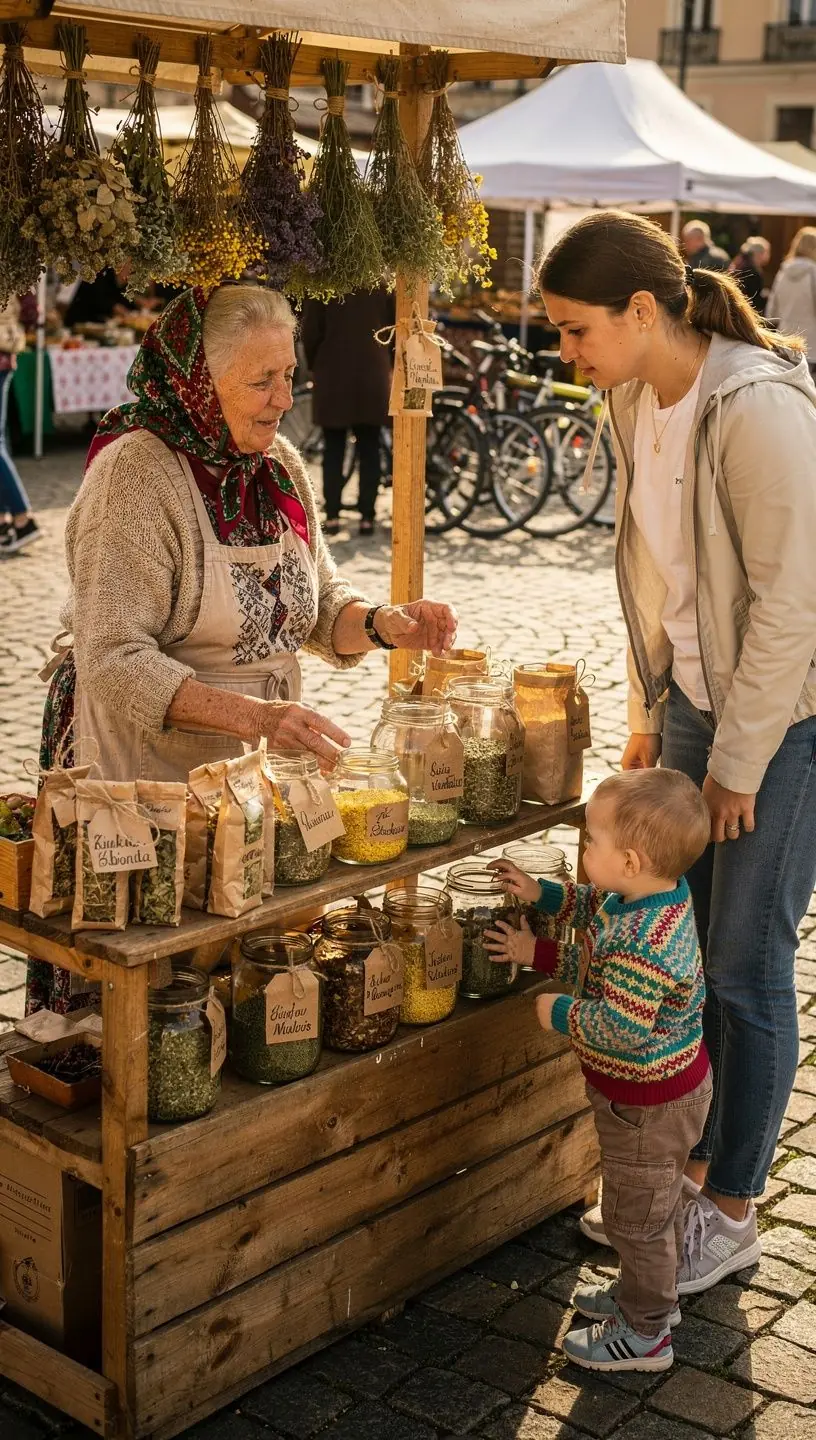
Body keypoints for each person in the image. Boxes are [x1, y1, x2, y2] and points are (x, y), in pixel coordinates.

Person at [28, 283, 456, 1015]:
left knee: (248, 979)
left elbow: (316, 606)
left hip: (251, 784)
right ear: (198, 380)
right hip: (146, 777)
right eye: (260, 381)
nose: (283, 397)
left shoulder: (278, 466)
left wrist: (385, 623)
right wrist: (257, 720)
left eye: (289, 374)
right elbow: (112, 658)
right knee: (156, 1001)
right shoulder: (136, 475)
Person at [537, 209, 816, 1295]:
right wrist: (654, 705)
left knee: (745, 964)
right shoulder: (627, 397)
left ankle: (733, 1206)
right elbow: (656, 569)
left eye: (573, 330)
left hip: (787, 714)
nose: (565, 353)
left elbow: (794, 603)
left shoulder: (756, 410)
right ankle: (685, 1176)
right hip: (703, 698)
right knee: (685, 950)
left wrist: (739, 762)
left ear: (641, 310)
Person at [486, 769, 713, 1372]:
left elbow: (621, 1025)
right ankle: (647, 1297)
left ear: (631, 859)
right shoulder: (645, 896)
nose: (583, 851)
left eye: (591, 841)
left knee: (636, 1219)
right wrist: (541, 900)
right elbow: (594, 917)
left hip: (648, 1105)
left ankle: (646, 1333)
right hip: (653, 1097)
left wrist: (556, 1009)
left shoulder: (646, 942)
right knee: (645, 1208)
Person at [300, 286, 394, 537]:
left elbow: (311, 332)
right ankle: (367, 517)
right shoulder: (381, 285)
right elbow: (395, 328)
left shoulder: (326, 282)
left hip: (334, 374)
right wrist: (389, 364)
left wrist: (314, 364)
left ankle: (332, 516)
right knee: (370, 449)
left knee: (334, 449)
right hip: (373, 373)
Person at [0, 296, 41, 555]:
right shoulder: (13, 259)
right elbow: (31, 312)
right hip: (6, 350)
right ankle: (5, 520)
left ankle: (23, 517)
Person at [766, 226, 816, 372]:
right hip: (811, 340)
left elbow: (772, 309)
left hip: (786, 338)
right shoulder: (813, 272)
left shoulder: (783, 270)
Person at [729, 236, 771, 314]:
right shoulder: (752, 271)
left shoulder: (740, 263)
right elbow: (754, 298)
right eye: (767, 252)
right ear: (760, 253)